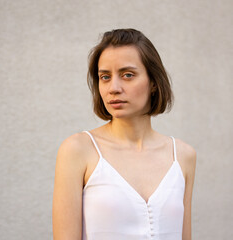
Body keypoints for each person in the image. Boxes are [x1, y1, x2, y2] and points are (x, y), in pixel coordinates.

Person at [52, 28, 196, 240]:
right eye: (105, 77)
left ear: (154, 83)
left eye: (128, 75)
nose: (114, 88)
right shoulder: (78, 150)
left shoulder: (183, 156)